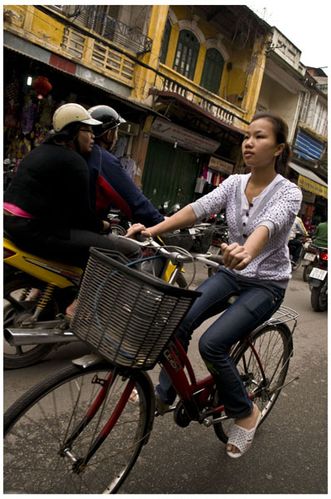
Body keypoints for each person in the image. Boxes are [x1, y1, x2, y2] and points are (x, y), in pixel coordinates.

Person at [127, 112, 303, 458]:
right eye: (247, 136)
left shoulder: (290, 192)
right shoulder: (234, 183)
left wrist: (247, 250)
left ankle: (246, 412)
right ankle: (166, 393)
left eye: (260, 137)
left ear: (279, 148)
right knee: (176, 321)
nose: (250, 143)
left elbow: (270, 223)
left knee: (212, 344)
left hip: (266, 284)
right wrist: (152, 230)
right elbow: (199, 207)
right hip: (230, 272)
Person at [4, 102, 141, 268]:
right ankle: (92, 295)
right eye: (87, 130)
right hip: (33, 231)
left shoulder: (39, 151)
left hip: (11, 223)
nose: (92, 136)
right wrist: (103, 225)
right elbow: (81, 216)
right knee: (118, 253)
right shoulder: (74, 161)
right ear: (73, 132)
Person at [87, 105, 164, 227]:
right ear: (109, 135)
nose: (116, 137)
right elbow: (134, 200)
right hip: (86, 227)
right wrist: (161, 222)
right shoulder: (102, 158)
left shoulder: (82, 153)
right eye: (116, 131)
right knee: (131, 247)